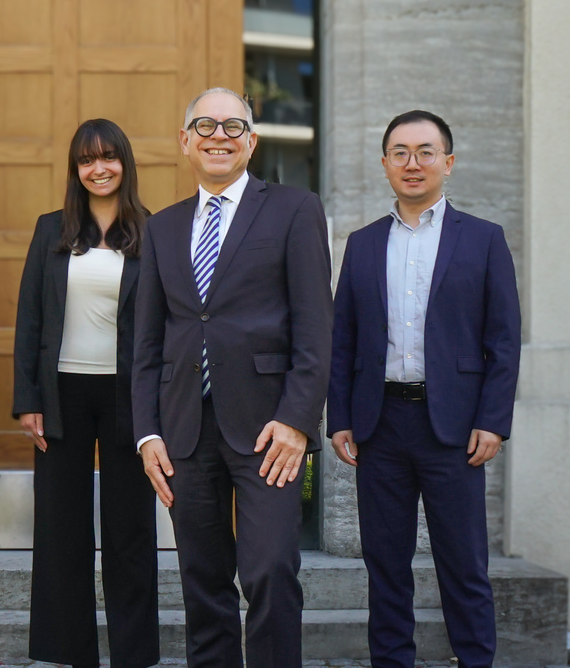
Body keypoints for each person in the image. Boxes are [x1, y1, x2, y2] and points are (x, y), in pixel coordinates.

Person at [132, 87, 333, 668]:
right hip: (184, 431)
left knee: (270, 569)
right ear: (184, 140)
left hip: (271, 427)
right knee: (203, 578)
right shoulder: (163, 228)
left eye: (232, 126)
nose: (218, 135)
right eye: (205, 125)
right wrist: (147, 435)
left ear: (252, 140)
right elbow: (147, 343)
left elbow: (316, 328)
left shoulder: (295, 209)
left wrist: (297, 421)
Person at [327, 110, 520, 668]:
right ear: (385, 163)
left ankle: (475, 661)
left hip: (455, 429)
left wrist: (493, 419)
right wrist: (339, 416)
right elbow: (344, 340)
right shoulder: (363, 245)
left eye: (425, 152)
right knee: (385, 567)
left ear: (448, 163)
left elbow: (503, 341)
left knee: (464, 565)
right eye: (400, 153)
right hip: (379, 424)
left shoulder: (483, 240)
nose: (413, 164)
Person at [13, 119, 160, 668]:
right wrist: (27, 398)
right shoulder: (51, 229)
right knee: (61, 530)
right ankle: (68, 652)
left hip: (130, 397)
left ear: (125, 162)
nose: (99, 169)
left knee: (130, 531)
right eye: (86, 160)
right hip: (62, 397)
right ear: (76, 170)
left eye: (108, 157)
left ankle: (133, 654)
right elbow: (30, 318)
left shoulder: (152, 230)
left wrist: (160, 405)